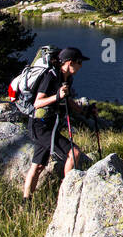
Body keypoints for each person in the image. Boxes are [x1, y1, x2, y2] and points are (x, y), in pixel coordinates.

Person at [22, 46, 92, 201]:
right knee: (74, 153)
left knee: (38, 166)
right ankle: (67, 197)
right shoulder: (51, 77)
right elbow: (37, 102)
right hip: (39, 126)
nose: (81, 66)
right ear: (68, 62)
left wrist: (85, 112)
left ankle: (26, 201)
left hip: (48, 126)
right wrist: (57, 96)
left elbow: (67, 99)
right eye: (79, 62)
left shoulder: (67, 78)